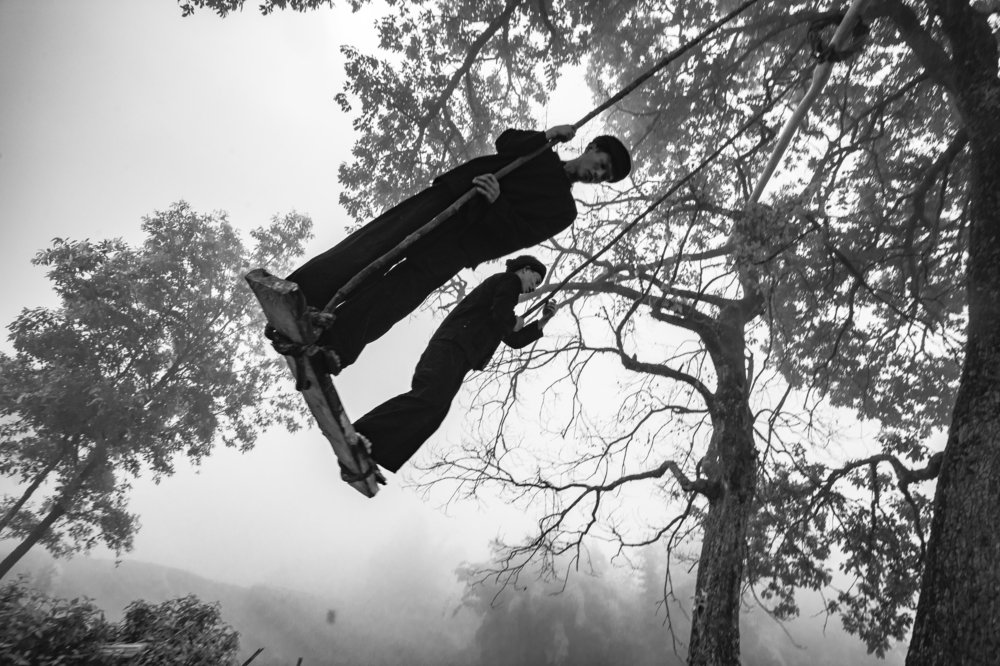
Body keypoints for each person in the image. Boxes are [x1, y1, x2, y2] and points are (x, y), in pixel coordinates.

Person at [286, 125, 630, 374]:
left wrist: (497, 202)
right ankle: (306, 292)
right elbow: (505, 141)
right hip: (453, 197)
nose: (599, 175)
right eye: (602, 164)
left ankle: (334, 345)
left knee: (398, 293)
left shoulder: (563, 211)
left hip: (465, 243)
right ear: (591, 147)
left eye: (606, 177)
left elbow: (518, 236)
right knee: (378, 243)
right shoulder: (541, 150)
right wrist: (546, 135)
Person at [350, 255, 559, 474]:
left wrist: (543, 320)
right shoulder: (509, 282)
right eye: (535, 281)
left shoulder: (505, 296)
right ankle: (364, 432)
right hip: (452, 346)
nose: (533, 287)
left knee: (435, 410)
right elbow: (502, 317)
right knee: (429, 397)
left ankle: (374, 451)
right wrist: (513, 322)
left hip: (460, 356)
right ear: (525, 269)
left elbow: (512, 338)